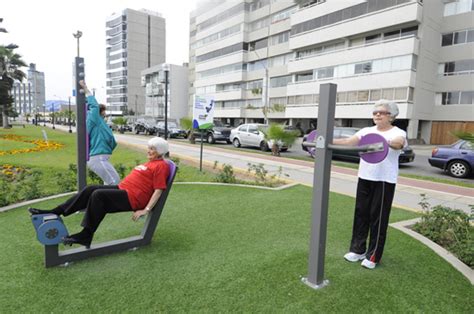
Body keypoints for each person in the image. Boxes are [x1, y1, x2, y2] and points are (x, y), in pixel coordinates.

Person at [28, 137, 171, 248]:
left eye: (152, 149)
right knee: (91, 189)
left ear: (160, 151)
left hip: (134, 198)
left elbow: (159, 190)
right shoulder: (150, 163)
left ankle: (86, 235)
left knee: (99, 195)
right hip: (124, 190)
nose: (148, 151)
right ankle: (56, 212)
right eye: (149, 148)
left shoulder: (161, 166)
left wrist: (145, 210)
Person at [333, 100, 407, 270]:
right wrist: (325, 140)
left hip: (384, 181)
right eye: (375, 113)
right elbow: (349, 142)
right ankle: (357, 250)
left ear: (391, 116)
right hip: (365, 177)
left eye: (381, 112)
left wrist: (382, 142)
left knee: (378, 218)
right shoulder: (366, 131)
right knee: (361, 214)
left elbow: (399, 143)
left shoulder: (398, 132)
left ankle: (373, 256)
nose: (377, 115)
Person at [80, 80, 120, 185]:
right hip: (98, 158)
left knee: (108, 183)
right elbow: (94, 106)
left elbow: (110, 140)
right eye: (104, 111)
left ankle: (103, 200)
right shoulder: (95, 119)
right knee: (114, 181)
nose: (105, 113)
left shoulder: (101, 122)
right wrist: (86, 89)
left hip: (102, 157)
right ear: (99, 112)